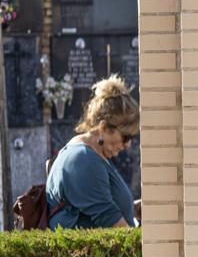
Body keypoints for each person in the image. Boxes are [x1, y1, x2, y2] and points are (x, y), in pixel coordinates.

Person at [45, 75, 140, 229]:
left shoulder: (93, 155)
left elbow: (95, 204)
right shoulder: (82, 160)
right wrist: (140, 249)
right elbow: (109, 220)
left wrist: (134, 209)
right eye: (125, 136)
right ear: (103, 128)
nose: (128, 144)